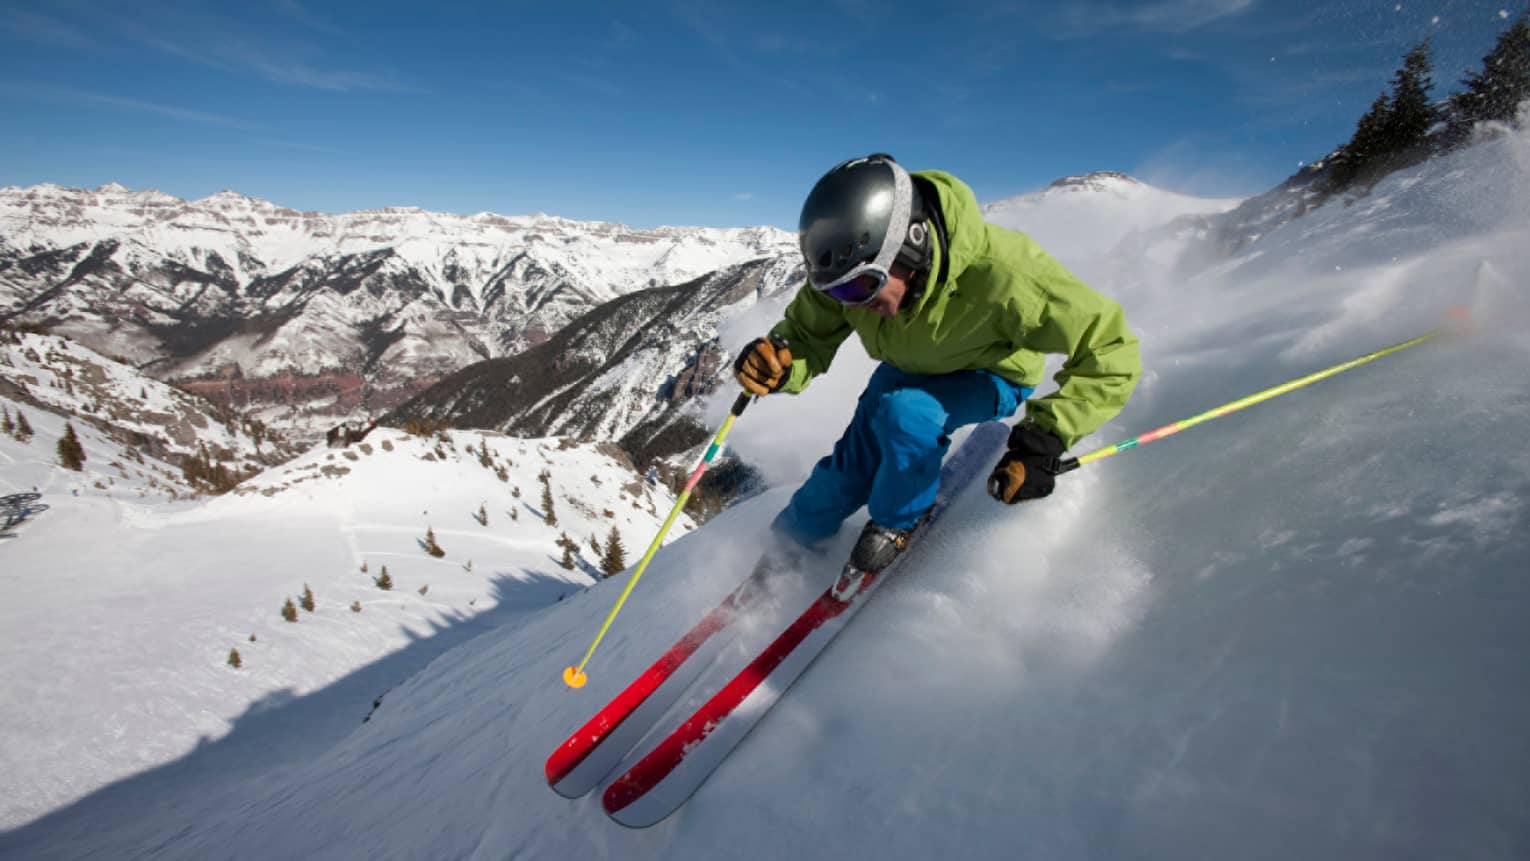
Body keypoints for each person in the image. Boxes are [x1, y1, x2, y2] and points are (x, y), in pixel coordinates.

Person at [733, 153, 1140, 582]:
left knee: (905, 415)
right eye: (836, 292)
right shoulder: (852, 276)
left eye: (859, 287)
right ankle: (792, 543)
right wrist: (779, 361)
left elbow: (1110, 348)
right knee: (847, 469)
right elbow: (807, 334)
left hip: (992, 375)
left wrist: (1049, 435)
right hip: (908, 368)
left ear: (910, 245)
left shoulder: (1007, 277)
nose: (851, 302)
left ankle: (897, 522)